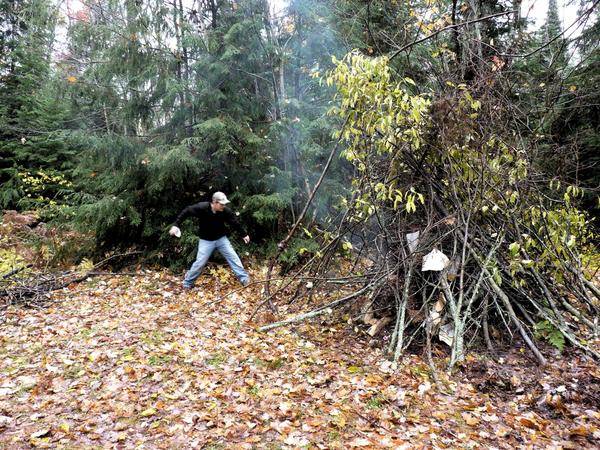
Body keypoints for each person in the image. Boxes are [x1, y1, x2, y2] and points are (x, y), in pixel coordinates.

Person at [169, 191, 250, 289]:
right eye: (221, 204)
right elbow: (186, 211)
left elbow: (234, 222)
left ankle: (244, 279)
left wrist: (244, 234)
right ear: (215, 203)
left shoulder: (225, 211)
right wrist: (176, 225)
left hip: (221, 239)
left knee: (233, 257)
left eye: (224, 204)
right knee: (200, 262)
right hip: (206, 241)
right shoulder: (202, 208)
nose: (223, 206)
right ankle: (187, 284)